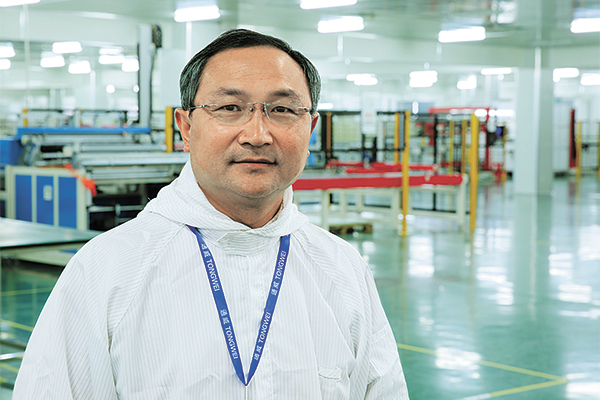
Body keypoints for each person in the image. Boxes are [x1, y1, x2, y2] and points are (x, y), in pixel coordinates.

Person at [14, 28, 409, 399]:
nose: (257, 135)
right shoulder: (107, 271)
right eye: (229, 107)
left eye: (282, 109)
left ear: (311, 128)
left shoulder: (342, 269)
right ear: (186, 128)